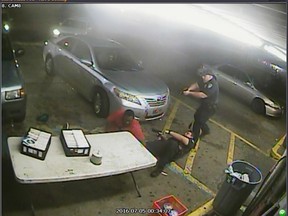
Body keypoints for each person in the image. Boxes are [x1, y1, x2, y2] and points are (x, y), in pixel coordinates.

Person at [183, 64, 219, 143]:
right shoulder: (205, 79)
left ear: (210, 75)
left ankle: (193, 142)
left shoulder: (212, 84)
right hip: (204, 105)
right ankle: (206, 130)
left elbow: (203, 95)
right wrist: (189, 89)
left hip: (210, 107)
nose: (202, 77)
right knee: (197, 117)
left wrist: (189, 93)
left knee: (197, 124)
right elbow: (197, 84)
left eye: (204, 76)